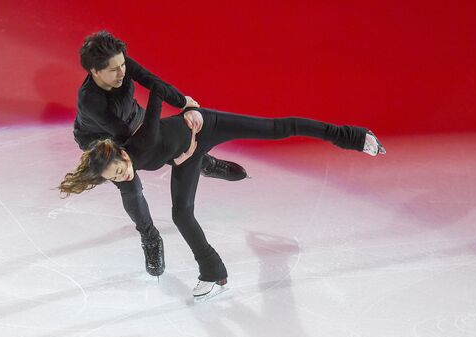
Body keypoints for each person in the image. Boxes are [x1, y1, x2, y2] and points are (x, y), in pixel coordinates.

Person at [59, 80, 386, 300]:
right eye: (115, 177)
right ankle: (213, 272)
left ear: (120, 154)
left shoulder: (138, 144)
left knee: (277, 128)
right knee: (181, 213)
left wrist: (185, 105)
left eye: (119, 169)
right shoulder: (120, 167)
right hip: (187, 156)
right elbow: (141, 180)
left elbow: (156, 93)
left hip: (206, 125)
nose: (123, 175)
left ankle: (353, 137)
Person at [73, 31, 247, 278]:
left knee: (167, 145)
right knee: (129, 184)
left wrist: (183, 102)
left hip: (134, 119)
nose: (122, 72)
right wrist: (172, 153)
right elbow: (129, 140)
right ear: (94, 71)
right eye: (114, 70)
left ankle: (205, 163)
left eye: (123, 64)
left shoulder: (119, 63)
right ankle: (150, 236)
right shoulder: (91, 101)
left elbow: (152, 80)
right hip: (105, 140)